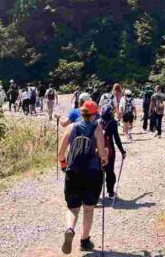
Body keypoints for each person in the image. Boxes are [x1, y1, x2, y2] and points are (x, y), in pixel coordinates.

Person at [58, 100, 108, 254]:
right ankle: (84, 241)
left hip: (73, 172)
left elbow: (60, 154)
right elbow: (101, 155)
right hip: (92, 173)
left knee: (73, 208)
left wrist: (64, 165)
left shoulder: (72, 127)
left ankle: (69, 229)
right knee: (88, 208)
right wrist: (104, 155)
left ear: (81, 113)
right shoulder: (97, 128)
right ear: (94, 114)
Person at [100, 105, 126, 199]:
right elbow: (116, 138)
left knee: (98, 171)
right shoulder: (113, 123)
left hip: (98, 150)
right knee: (110, 171)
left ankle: (96, 193)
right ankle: (110, 192)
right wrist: (122, 151)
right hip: (110, 150)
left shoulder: (97, 122)